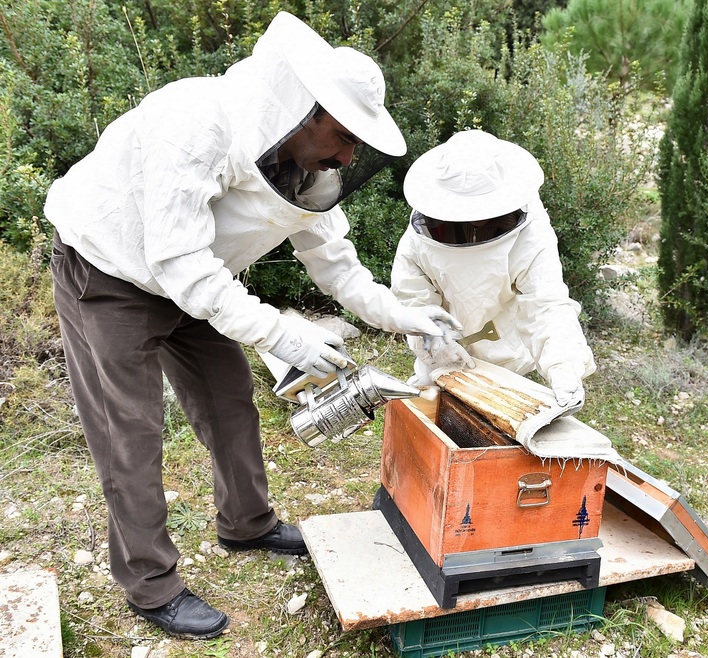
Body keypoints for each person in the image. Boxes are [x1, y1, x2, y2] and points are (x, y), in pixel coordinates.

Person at [44, 12, 460, 640]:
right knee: (130, 431)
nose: (348, 155)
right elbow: (176, 258)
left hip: (199, 284)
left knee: (230, 402)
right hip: (108, 273)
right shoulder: (195, 120)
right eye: (343, 135)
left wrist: (403, 315)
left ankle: (247, 523)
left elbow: (338, 269)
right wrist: (279, 332)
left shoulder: (304, 169)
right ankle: (150, 585)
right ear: (304, 109)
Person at [390, 129, 596, 410]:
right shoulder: (420, 236)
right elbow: (412, 296)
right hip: (441, 355)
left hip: (506, 357)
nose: (475, 223)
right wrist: (433, 340)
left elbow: (547, 305)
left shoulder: (531, 234)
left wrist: (563, 366)